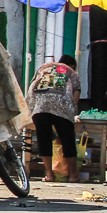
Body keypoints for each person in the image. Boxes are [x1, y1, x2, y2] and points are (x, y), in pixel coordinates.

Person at [29, 53, 80, 182]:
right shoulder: (72, 73)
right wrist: (70, 116)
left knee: (43, 138)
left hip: (39, 102)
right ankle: (73, 175)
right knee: (67, 139)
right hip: (61, 102)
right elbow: (75, 97)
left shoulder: (46, 67)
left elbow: (33, 84)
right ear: (73, 66)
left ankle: (49, 175)